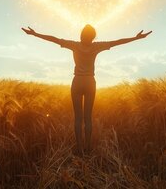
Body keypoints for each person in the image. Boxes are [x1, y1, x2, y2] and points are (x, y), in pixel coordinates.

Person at [22, 24, 152, 155]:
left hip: (77, 81)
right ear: (93, 37)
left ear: (81, 34)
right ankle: (88, 148)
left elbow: (54, 39)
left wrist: (35, 34)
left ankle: (79, 148)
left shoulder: (74, 45)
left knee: (78, 117)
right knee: (88, 117)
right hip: (90, 82)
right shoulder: (97, 46)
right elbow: (117, 42)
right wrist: (135, 38)